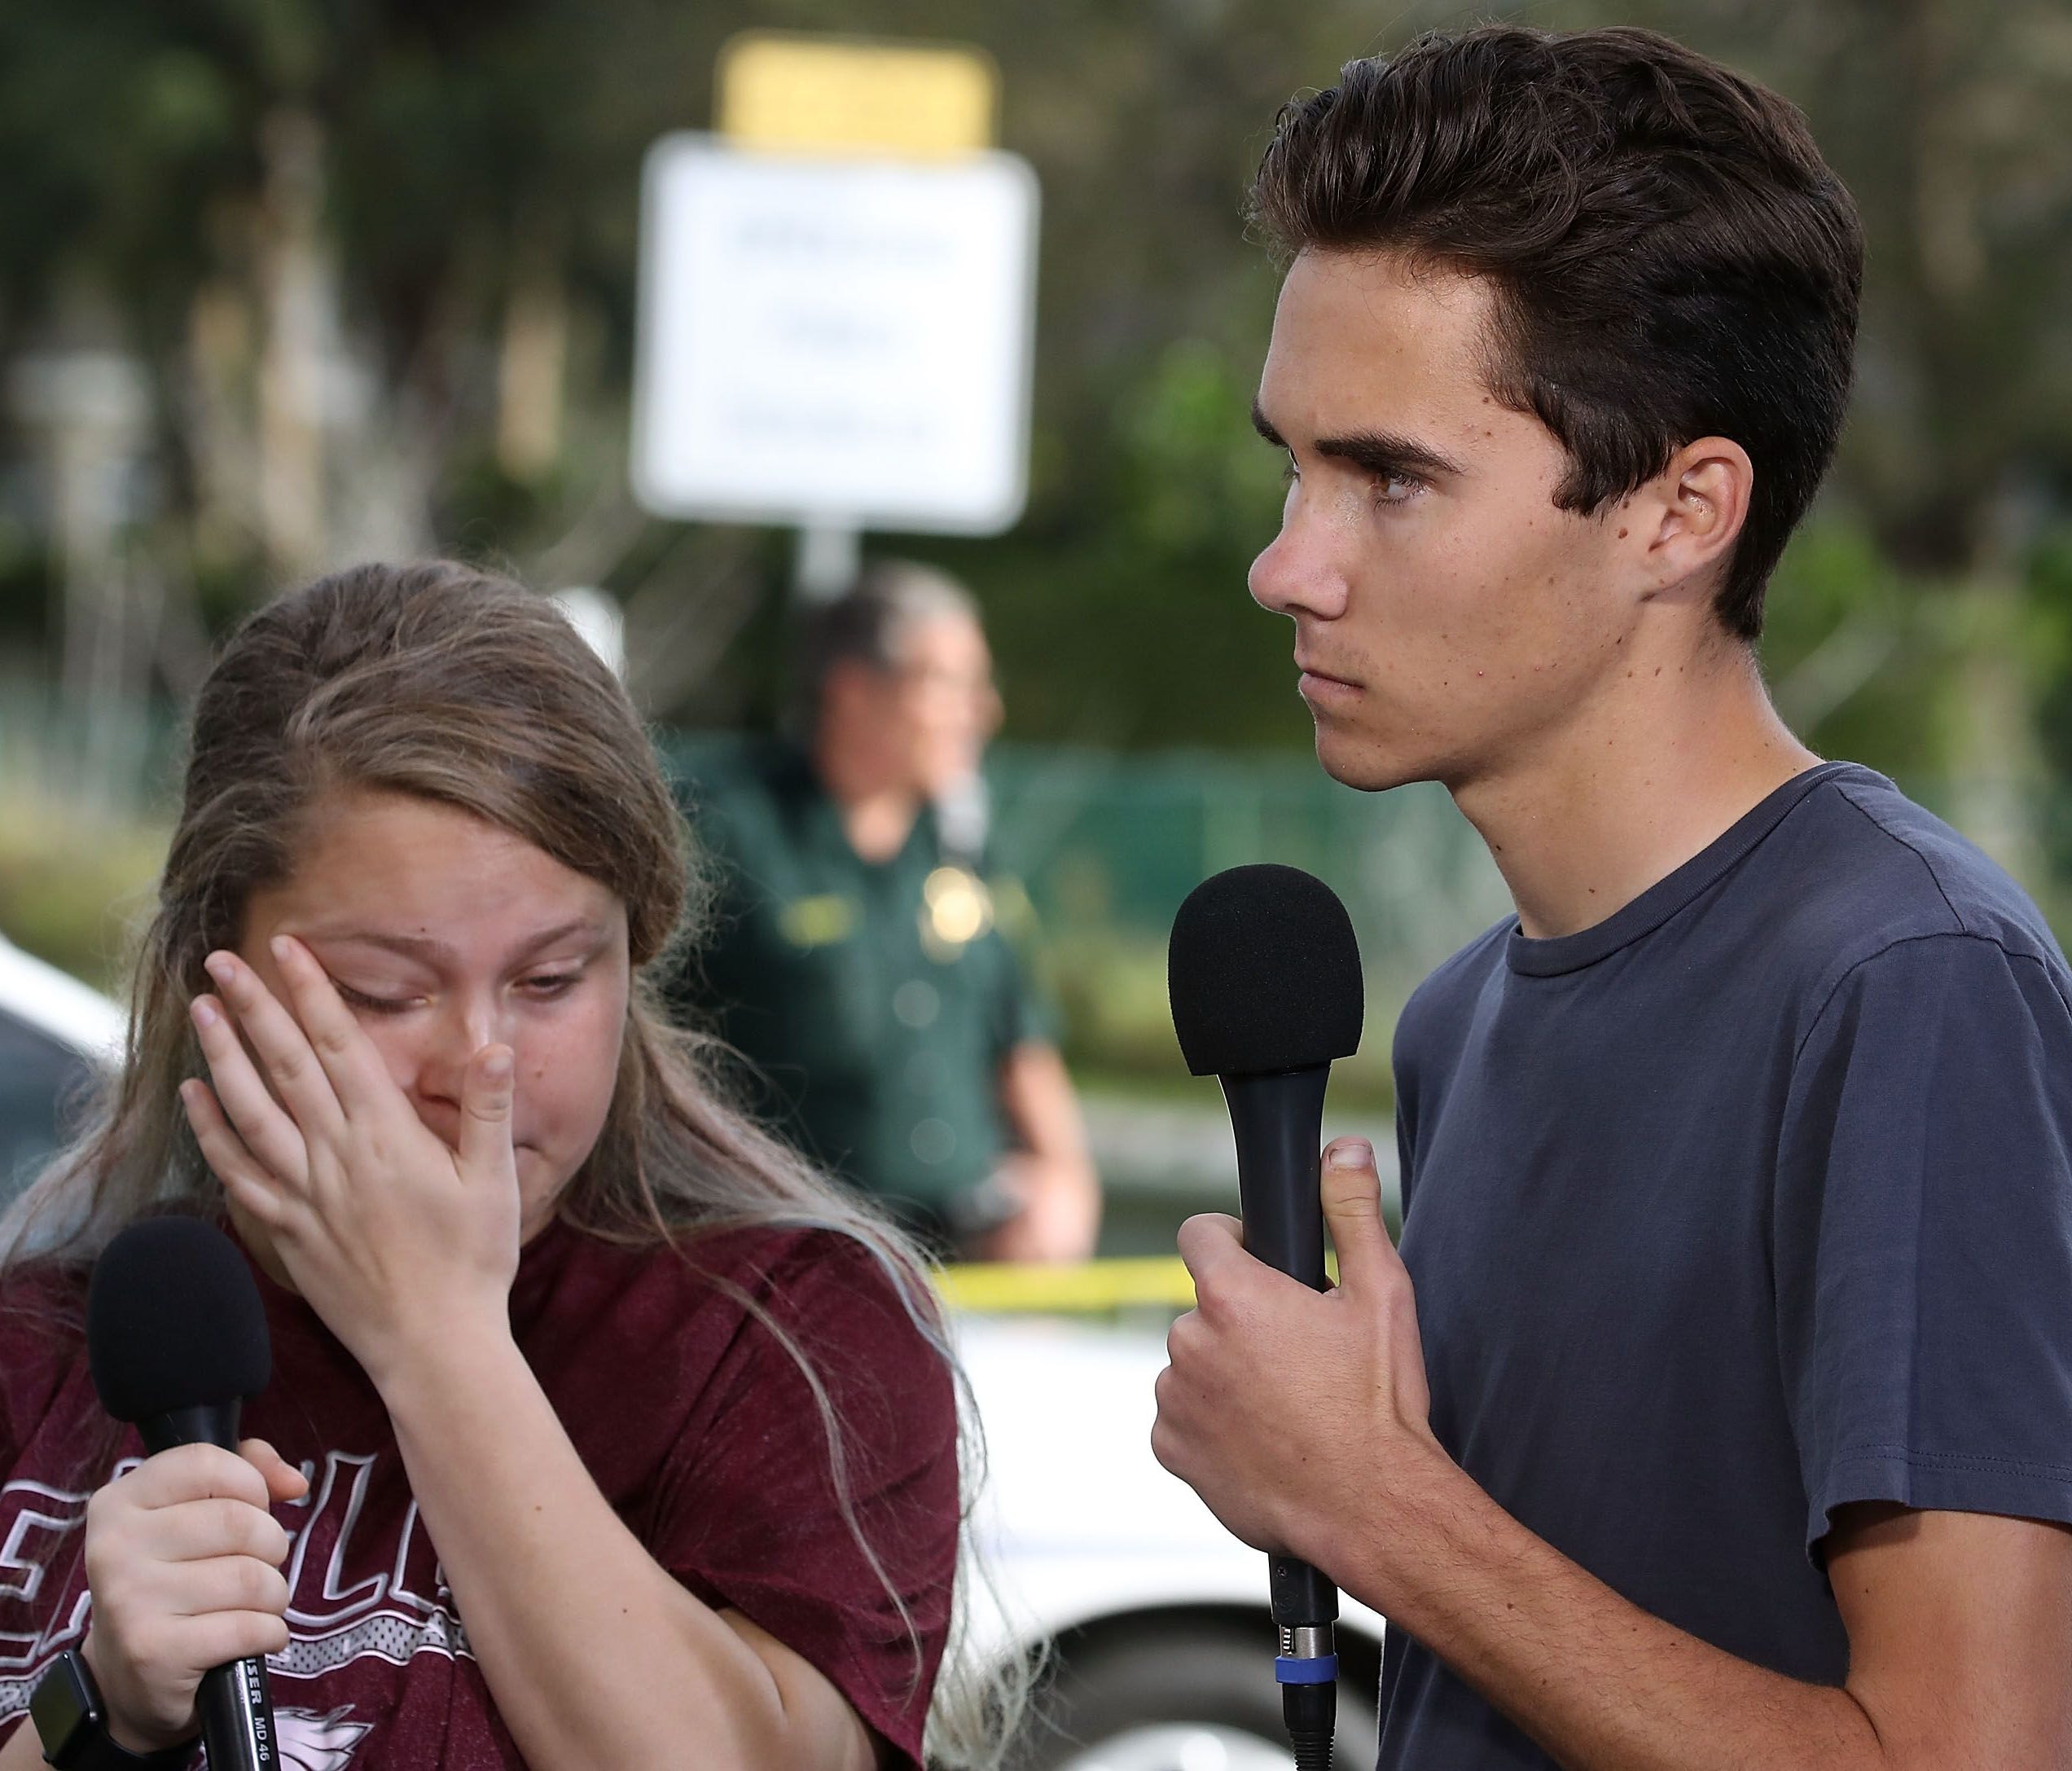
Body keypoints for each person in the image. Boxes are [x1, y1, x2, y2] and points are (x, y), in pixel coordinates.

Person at [1151, 25, 2072, 1771]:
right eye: (1297, 464)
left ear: (1680, 510)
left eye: (1392, 477)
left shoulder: (1906, 985)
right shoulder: (1460, 1020)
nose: (1291, 560)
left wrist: (1377, 1506)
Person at [0, 562, 983, 1771]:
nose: (482, 1067)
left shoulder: (785, 1330)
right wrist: (92, 1710)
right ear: (215, 971)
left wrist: (435, 1335)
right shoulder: (40, 1347)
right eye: (384, 992)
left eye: (553, 978)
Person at [663, 561, 1100, 1263]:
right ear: (854, 691)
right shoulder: (723, 826)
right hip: (779, 1258)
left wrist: (1064, 1183)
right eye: (949, 684)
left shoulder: (959, 845)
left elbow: (1020, 1037)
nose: (982, 710)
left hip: (967, 1261)